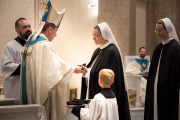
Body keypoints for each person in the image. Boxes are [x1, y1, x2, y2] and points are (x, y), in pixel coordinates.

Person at [20, 1, 85, 120]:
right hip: (38, 95)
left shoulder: (30, 41)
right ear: (50, 29)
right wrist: (74, 69)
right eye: (56, 31)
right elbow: (56, 70)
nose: (56, 35)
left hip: (30, 91)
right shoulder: (44, 45)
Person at [80, 22, 131, 120]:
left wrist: (89, 72)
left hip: (105, 97)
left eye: (96, 36)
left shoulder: (112, 51)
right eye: (93, 35)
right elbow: (95, 69)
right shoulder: (98, 50)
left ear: (104, 35)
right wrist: (87, 71)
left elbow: (108, 75)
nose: (93, 38)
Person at [144, 18, 180, 120]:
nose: (158, 33)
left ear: (167, 30)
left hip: (167, 90)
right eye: (156, 30)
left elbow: (176, 71)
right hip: (154, 89)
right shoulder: (158, 48)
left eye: (160, 30)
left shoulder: (175, 47)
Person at [0, 17, 32, 99]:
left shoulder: (34, 46)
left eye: (29, 26)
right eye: (24, 27)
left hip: (31, 89)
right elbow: (6, 66)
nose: (28, 29)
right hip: (16, 90)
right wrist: (27, 68)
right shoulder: (10, 46)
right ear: (17, 31)